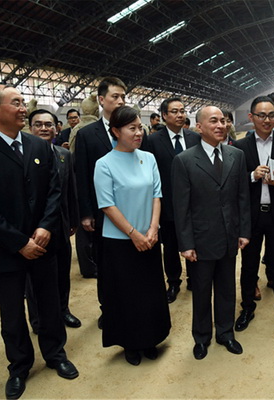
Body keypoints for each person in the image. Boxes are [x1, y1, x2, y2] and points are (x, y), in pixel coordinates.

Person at [0, 84, 78, 399]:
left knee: (50, 304)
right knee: (11, 313)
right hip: (7, 251)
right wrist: (19, 242)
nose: (23, 107)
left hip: (44, 244)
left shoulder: (39, 147)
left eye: (23, 101)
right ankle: (19, 366)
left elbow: (55, 191)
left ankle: (56, 354)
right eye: (16, 102)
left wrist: (44, 228)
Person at [94, 105, 170, 366]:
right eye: (132, 128)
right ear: (116, 131)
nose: (139, 133)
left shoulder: (148, 158)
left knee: (150, 292)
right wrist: (133, 234)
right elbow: (107, 204)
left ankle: (151, 338)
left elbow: (157, 195)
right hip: (120, 242)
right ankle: (130, 343)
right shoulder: (103, 164)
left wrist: (152, 229)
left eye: (140, 127)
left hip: (149, 237)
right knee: (126, 294)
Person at [172, 105, 250, 360]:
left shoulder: (235, 155)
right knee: (202, 290)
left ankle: (225, 332)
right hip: (201, 239)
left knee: (227, 288)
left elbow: (242, 198)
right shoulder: (184, 160)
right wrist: (186, 243)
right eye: (213, 121)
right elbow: (181, 207)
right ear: (199, 127)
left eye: (223, 121)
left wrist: (243, 231)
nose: (220, 125)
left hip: (229, 236)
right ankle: (201, 337)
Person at [233, 96, 274, 333]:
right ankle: (247, 308)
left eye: (271, 115)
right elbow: (232, 182)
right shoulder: (240, 147)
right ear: (251, 118)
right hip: (251, 216)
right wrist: (252, 176)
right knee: (249, 265)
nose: (267, 120)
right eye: (261, 115)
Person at [75, 77, 127, 325]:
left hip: (131, 210)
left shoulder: (133, 130)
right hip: (101, 212)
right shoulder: (87, 134)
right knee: (106, 264)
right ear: (101, 100)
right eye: (115, 96)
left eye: (123, 97)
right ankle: (108, 308)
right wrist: (85, 213)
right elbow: (82, 175)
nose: (120, 101)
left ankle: (130, 304)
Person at [26, 109, 81, 330]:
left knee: (62, 270)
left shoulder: (63, 155)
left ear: (57, 128)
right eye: (38, 124)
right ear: (30, 129)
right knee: (34, 276)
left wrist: (73, 220)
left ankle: (63, 310)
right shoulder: (24, 156)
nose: (44, 129)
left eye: (49, 124)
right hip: (35, 230)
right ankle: (37, 318)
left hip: (61, 224)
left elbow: (70, 191)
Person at [141, 97, 200, 303]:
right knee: (171, 245)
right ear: (164, 116)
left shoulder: (195, 138)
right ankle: (173, 281)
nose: (180, 115)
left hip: (194, 202)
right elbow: (148, 172)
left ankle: (195, 277)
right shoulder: (153, 140)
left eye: (182, 111)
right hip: (167, 203)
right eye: (174, 111)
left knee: (194, 240)